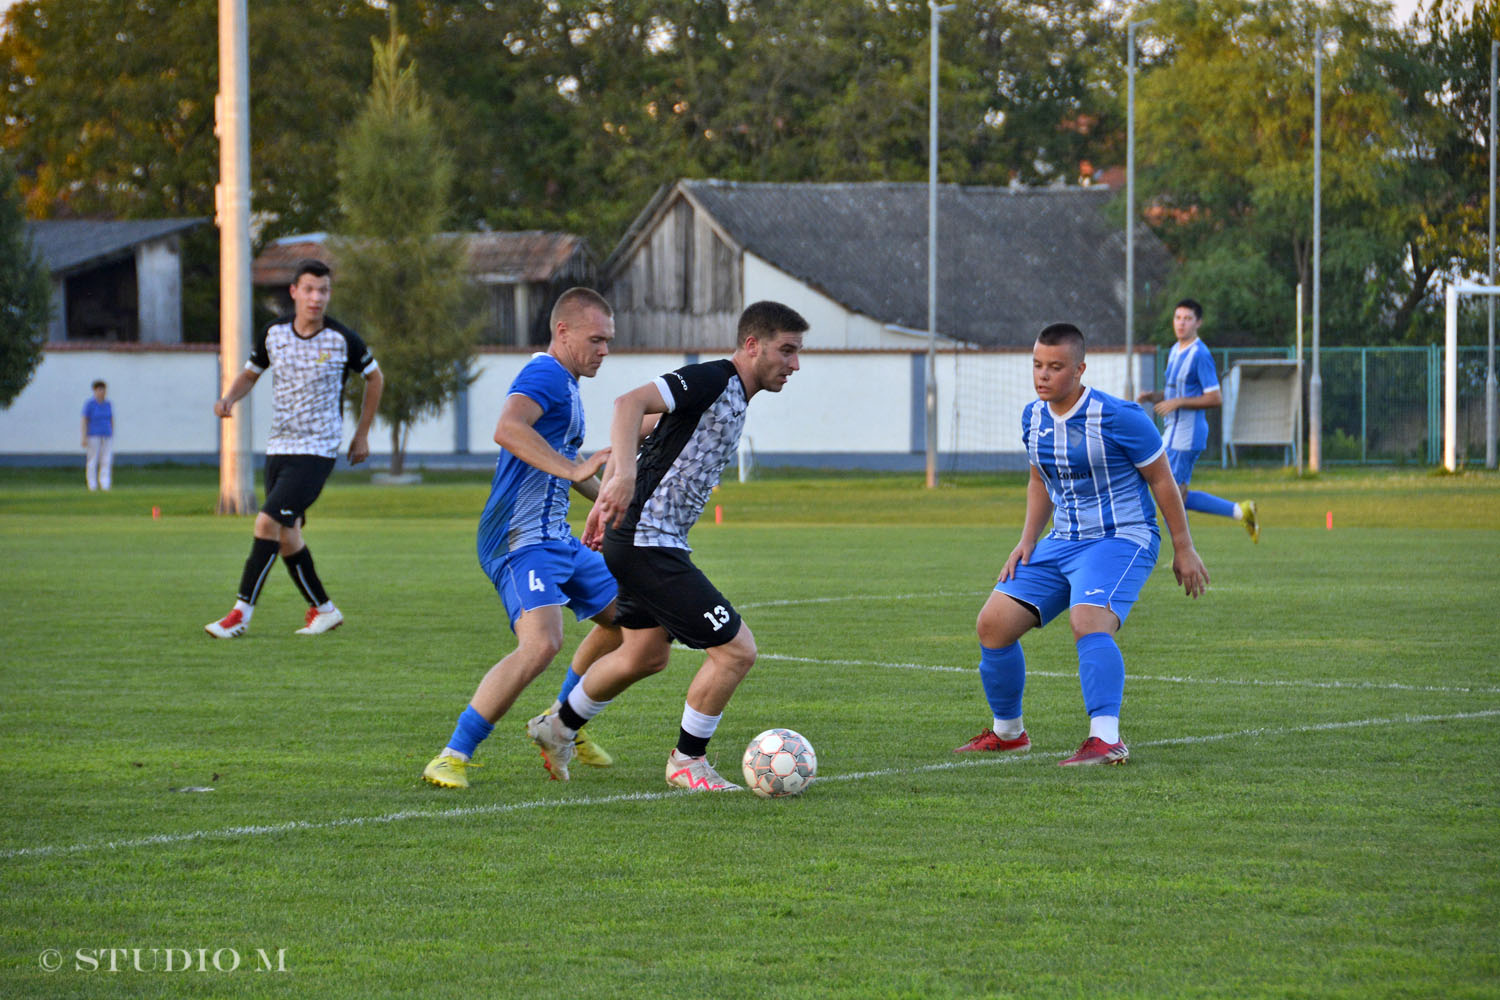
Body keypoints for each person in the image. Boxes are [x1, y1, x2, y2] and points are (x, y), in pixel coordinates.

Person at [524, 300, 809, 792]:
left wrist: (611, 489)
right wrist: (623, 483)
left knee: (645, 654)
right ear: (751, 345)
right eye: (786, 351)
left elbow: (642, 434)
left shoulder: (733, 398)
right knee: (736, 651)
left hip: (643, 538)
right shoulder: (713, 379)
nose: (794, 364)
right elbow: (627, 404)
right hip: (647, 543)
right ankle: (687, 762)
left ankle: (559, 726)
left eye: (798, 353)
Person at [955, 323, 1209, 766]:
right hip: (1061, 541)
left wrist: (1183, 547)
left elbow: (1163, 481)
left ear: (1079, 369)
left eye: (1055, 367)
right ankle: (1009, 733)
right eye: (1037, 365)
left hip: (1121, 537)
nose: (1043, 375)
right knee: (993, 624)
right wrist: (1026, 540)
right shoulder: (1032, 417)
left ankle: (1106, 738)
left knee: (1088, 619)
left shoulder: (1121, 417)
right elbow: (1039, 481)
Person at [422, 288, 623, 789]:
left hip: (557, 538)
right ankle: (451, 755)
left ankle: (561, 725)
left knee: (630, 623)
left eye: (609, 341)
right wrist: (577, 465)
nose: (604, 350)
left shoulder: (568, 385)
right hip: (519, 538)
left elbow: (566, 469)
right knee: (541, 644)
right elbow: (509, 429)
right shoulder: (544, 374)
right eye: (596, 339)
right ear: (563, 332)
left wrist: (608, 506)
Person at [204, 258, 384, 638]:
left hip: (316, 451)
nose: (317, 298)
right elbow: (252, 372)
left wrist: (362, 433)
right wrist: (229, 399)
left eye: (324, 290)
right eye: (309, 290)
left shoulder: (342, 339)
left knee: (266, 522)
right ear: (294, 292)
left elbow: (375, 378)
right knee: (287, 535)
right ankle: (325, 610)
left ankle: (240, 614)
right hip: (278, 449)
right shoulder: (274, 334)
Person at [1136, 298, 1259, 542]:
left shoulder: (1200, 354)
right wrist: (1154, 396)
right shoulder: (1174, 350)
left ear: (1198, 323)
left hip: (1187, 435)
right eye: (1177, 318)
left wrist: (1178, 402)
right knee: (1173, 494)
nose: (1181, 323)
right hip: (1172, 432)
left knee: (1169, 494)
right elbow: (1178, 394)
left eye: (1187, 319)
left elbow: (1214, 397)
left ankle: (1184, 552)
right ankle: (1239, 510)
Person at [81, 380, 113, 491]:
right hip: (93, 435)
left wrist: (111, 432)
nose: (102, 392)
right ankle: (92, 485)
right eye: (99, 390)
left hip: (106, 435)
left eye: (103, 390)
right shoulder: (90, 405)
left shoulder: (108, 404)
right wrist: (84, 437)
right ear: (95, 391)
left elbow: (111, 419)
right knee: (93, 460)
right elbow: (84, 420)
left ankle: (105, 484)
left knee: (106, 460)